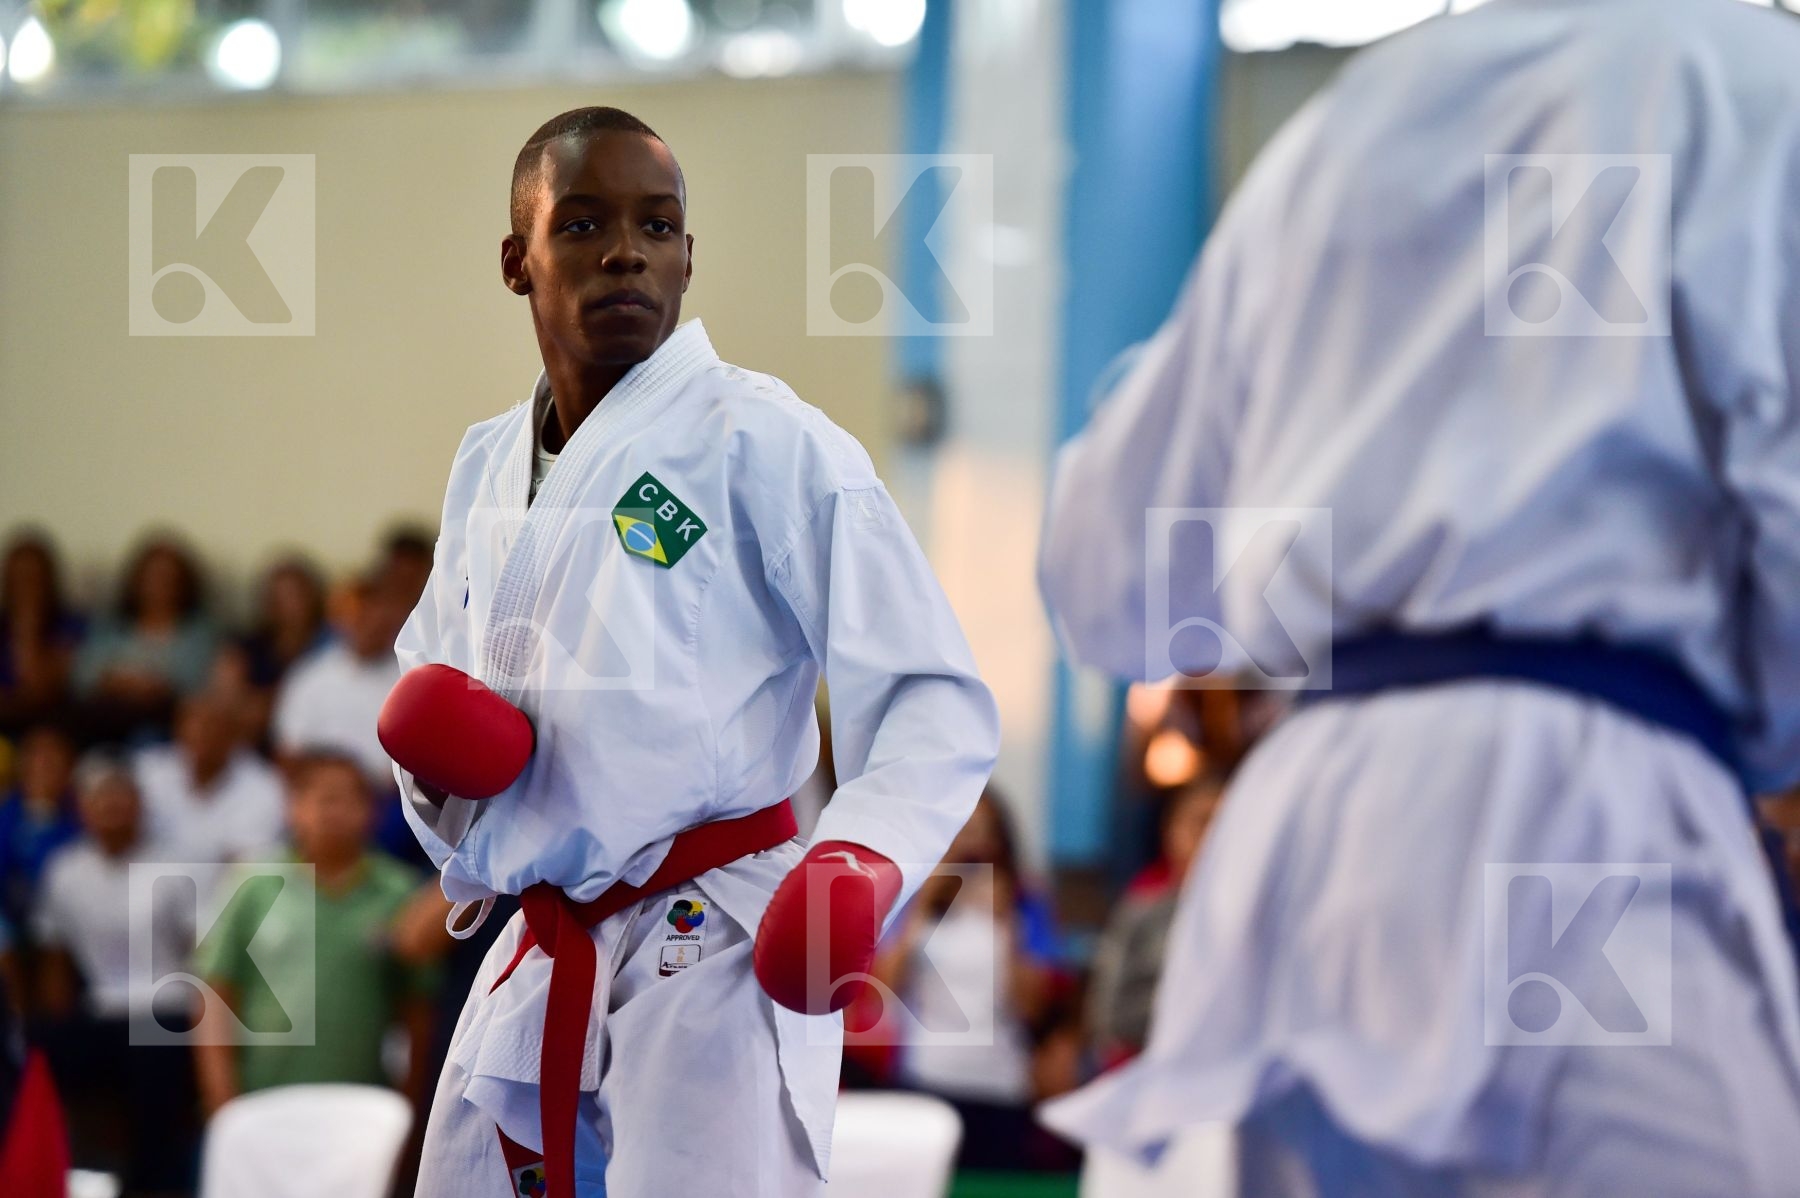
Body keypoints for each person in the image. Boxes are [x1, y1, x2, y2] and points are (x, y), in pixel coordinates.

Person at [1037, 2, 1800, 1195]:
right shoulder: (1760, 77)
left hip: (1311, 840)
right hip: (1596, 803)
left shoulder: (1341, 127)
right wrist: (1766, 732)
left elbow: (1104, 576)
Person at [379, 106, 998, 1198]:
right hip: (548, 940)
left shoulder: (765, 439)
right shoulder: (486, 463)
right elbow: (431, 679)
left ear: (688, 257)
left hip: (711, 942)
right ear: (517, 261)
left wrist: (858, 856)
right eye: (582, 225)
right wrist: (436, 774)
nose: (627, 250)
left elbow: (929, 695)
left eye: (657, 226)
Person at [191, 752, 435, 1114]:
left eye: (348, 799)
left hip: (363, 1112)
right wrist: (221, 1101)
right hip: (260, 1104)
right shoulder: (253, 883)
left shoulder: (400, 892)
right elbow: (216, 992)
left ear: (372, 812)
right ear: (293, 808)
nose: (333, 811)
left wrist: (410, 1111)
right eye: (322, 798)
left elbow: (418, 1007)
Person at [874, 790, 1070, 1171]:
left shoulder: (1027, 903)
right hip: (924, 1078)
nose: (971, 846)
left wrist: (1007, 920)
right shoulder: (917, 899)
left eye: (982, 833)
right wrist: (925, 900)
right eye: (961, 832)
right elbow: (882, 990)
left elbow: (1032, 1005)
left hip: (1001, 1085)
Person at [33, 756, 196, 1195]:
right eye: (100, 799)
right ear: (81, 808)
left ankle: (153, 1185)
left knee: (154, 1075)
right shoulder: (64, 870)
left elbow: (202, 954)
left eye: (121, 798)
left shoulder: (176, 862)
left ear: (140, 804)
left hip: (166, 1011)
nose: (111, 808)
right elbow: (56, 960)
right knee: (33, 1052)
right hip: (100, 1010)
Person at [1085, 777, 1221, 1069]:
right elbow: (1107, 1005)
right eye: (1201, 823)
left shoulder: (1251, 912)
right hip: (1141, 1064)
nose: (1211, 837)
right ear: (1170, 832)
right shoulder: (1143, 906)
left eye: (1223, 824)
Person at [73, 536, 218, 743]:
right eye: (152, 577)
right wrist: (117, 683)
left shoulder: (199, 634)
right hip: (104, 724)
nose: (159, 586)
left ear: (184, 584)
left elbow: (199, 687)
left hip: (166, 729)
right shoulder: (111, 627)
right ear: (136, 581)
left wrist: (158, 688)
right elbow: (81, 678)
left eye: (168, 578)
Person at [273, 574, 409, 789]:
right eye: (362, 616)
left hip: (388, 800)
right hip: (321, 793)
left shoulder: (410, 679)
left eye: (379, 616)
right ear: (342, 620)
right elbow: (288, 753)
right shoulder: (310, 675)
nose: (371, 625)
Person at [133, 690, 286, 868]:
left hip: (226, 889)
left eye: (212, 725)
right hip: (152, 881)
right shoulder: (148, 772)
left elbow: (249, 864)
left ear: (236, 735)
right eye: (194, 724)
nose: (202, 733)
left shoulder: (265, 787)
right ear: (177, 729)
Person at [212, 555, 331, 753]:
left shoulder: (334, 644)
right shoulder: (244, 648)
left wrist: (275, 700)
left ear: (314, 597)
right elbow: (224, 705)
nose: (286, 605)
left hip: (317, 743)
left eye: (294, 595)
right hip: (256, 749)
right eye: (276, 596)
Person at [0, 530, 86, 737]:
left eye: (33, 578)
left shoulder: (71, 626)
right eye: (18, 578)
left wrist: (27, 629)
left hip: (50, 732)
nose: (26, 587)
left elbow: (40, 691)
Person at [0, 724, 80, 932]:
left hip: (71, 929)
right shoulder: (5, 816)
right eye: (34, 753)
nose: (44, 762)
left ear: (70, 766)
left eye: (53, 753)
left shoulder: (85, 816)